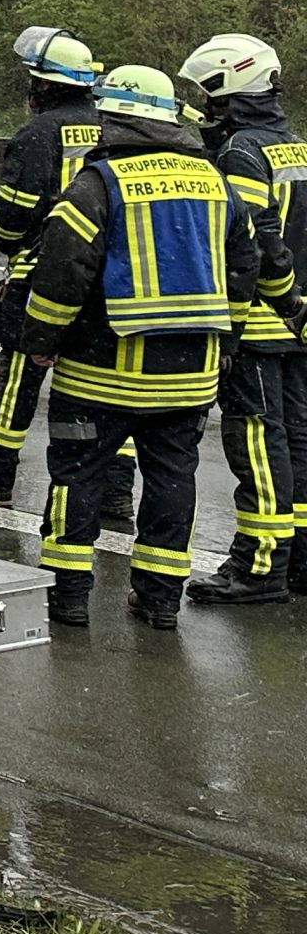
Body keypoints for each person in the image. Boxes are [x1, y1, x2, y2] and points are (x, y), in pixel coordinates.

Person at [21, 64, 263, 631]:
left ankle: (70, 598)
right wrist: (227, 335)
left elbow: (61, 273)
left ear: (115, 118)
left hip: (97, 378)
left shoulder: (96, 185)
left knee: (76, 482)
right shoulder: (215, 182)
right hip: (188, 382)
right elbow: (245, 263)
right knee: (173, 486)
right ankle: (159, 602)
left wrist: (40, 341)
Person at [179, 35, 307, 604]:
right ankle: (297, 560)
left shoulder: (241, 153)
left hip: (259, 323)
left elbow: (253, 242)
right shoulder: (293, 146)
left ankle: (259, 567)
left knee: (257, 440)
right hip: (299, 323)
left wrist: (253, 312)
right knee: (298, 441)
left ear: (224, 89)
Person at [0, 27, 105, 508]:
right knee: (98, 381)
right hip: (105, 275)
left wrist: (8, 243)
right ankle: (115, 492)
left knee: (20, 369)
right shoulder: (113, 123)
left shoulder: (39, 134)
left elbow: (14, 219)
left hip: (43, 270)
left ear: (44, 85)